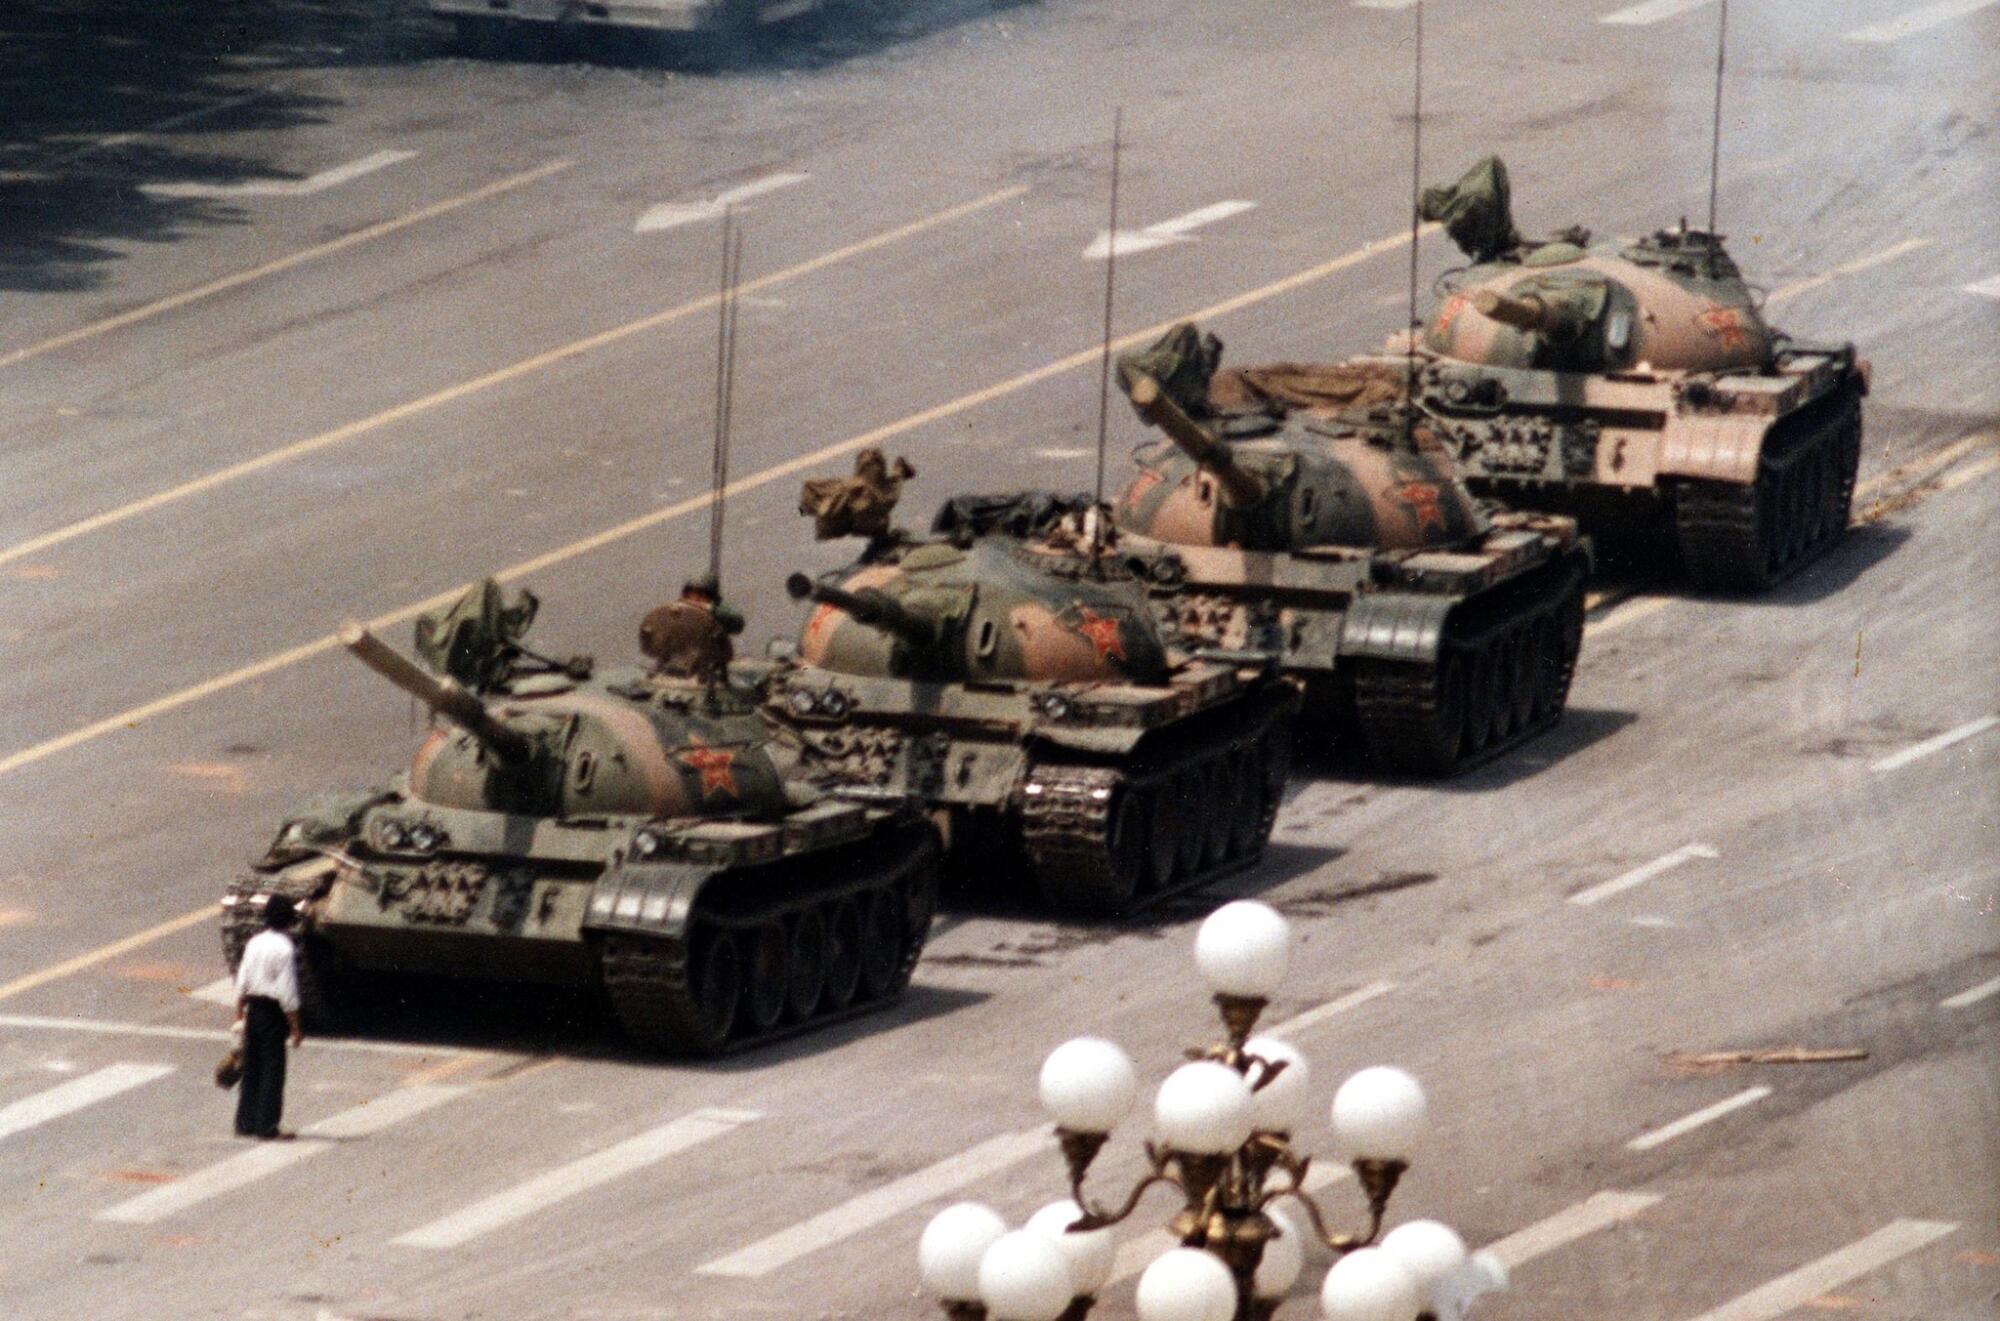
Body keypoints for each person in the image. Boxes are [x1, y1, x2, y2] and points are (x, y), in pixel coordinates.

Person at [233, 896, 304, 1140]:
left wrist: (240, 1014)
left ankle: (245, 1122)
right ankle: (267, 1126)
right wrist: (295, 1027)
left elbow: (242, 979)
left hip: (254, 1009)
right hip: (273, 1013)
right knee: (273, 1069)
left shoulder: (254, 942)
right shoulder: (285, 948)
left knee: (252, 1066)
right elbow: (288, 991)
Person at [638, 573, 744, 682]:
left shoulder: (718, 611)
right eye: (689, 595)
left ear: (711, 597)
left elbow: (737, 622)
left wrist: (710, 608)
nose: (694, 600)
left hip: (709, 663)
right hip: (677, 660)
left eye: (700, 596)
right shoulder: (678, 613)